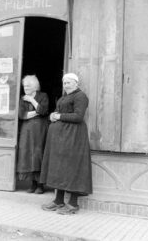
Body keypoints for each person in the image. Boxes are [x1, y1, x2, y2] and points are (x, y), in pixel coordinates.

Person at [40, 73, 92, 214]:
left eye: (69, 82)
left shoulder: (80, 96)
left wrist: (59, 116)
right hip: (62, 138)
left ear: (76, 84)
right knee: (60, 168)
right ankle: (58, 201)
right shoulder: (64, 97)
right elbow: (59, 112)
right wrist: (53, 115)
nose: (66, 85)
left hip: (74, 137)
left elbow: (78, 116)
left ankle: (73, 204)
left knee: (73, 167)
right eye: (64, 82)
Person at [17, 75, 49, 194]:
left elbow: (44, 110)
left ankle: (40, 185)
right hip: (27, 130)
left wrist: (32, 101)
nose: (25, 88)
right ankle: (32, 183)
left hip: (40, 130)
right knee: (27, 154)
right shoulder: (22, 98)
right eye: (24, 86)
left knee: (38, 154)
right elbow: (21, 115)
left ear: (35, 86)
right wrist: (37, 111)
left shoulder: (43, 96)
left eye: (28, 85)